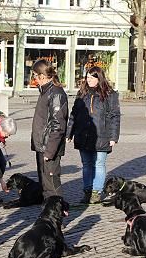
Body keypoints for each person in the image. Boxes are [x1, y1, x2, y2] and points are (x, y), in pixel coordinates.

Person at [66, 66, 121, 204]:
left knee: (99, 163)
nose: (88, 80)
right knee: (86, 164)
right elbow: (74, 114)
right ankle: (87, 191)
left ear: (99, 78)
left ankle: (96, 193)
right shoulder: (82, 93)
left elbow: (115, 116)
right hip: (83, 135)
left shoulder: (110, 94)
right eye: (87, 77)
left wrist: (114, 137)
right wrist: (69, 133)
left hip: (102, 135)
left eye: (92, 77)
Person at [30, 60, 68, 199]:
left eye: (35, 75)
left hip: (49, 147)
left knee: (52, 184)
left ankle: (57, 215)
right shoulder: (45, 91)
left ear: (43, 75)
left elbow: (58, 124)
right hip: (42, 145)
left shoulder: (56, 93)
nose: (34, 78)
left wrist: (50, 151)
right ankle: (48, 213)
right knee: (45, 184)